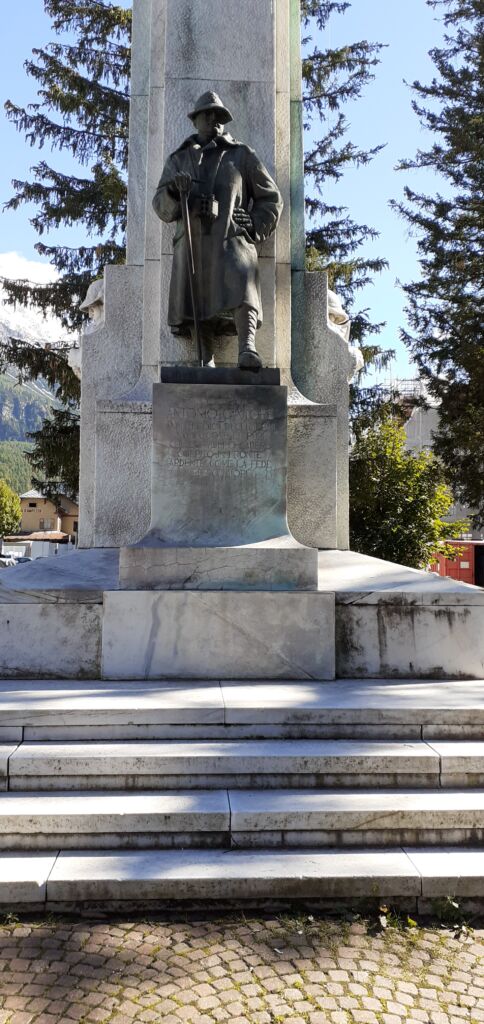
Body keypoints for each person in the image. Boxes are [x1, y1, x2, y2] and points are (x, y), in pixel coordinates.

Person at [153, 91, 283, 369]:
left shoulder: (242, 155)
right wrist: (175, 190)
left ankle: (247, 347)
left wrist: (254, 223)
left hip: (231, 238)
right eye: (208, 114)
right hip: (194, 240)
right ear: (195, 120)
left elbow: (271, 198)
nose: (214, 119)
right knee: (194, 289)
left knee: (241, 278)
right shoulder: (179, 159)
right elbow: (161, 205)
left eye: (219, 115)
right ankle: (204, 355)